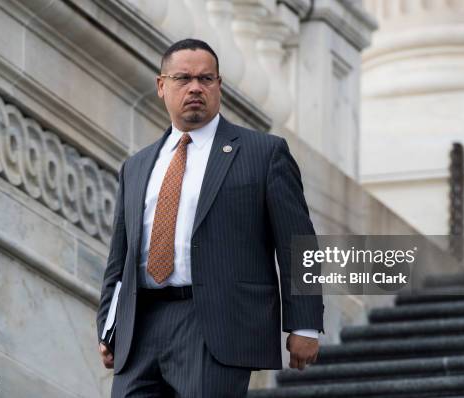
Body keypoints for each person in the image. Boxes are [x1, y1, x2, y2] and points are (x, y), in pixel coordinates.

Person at [96, 38, 324, 398]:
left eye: (206, 79)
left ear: (219, 86)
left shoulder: (263, 154)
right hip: (140, 326)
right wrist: (109, 327)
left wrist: (305, 324)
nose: (195, 88)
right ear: (161, 86)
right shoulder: (137, 166)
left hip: (215, 325)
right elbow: (119, 261)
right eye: (183, 78)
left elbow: (299, 243)